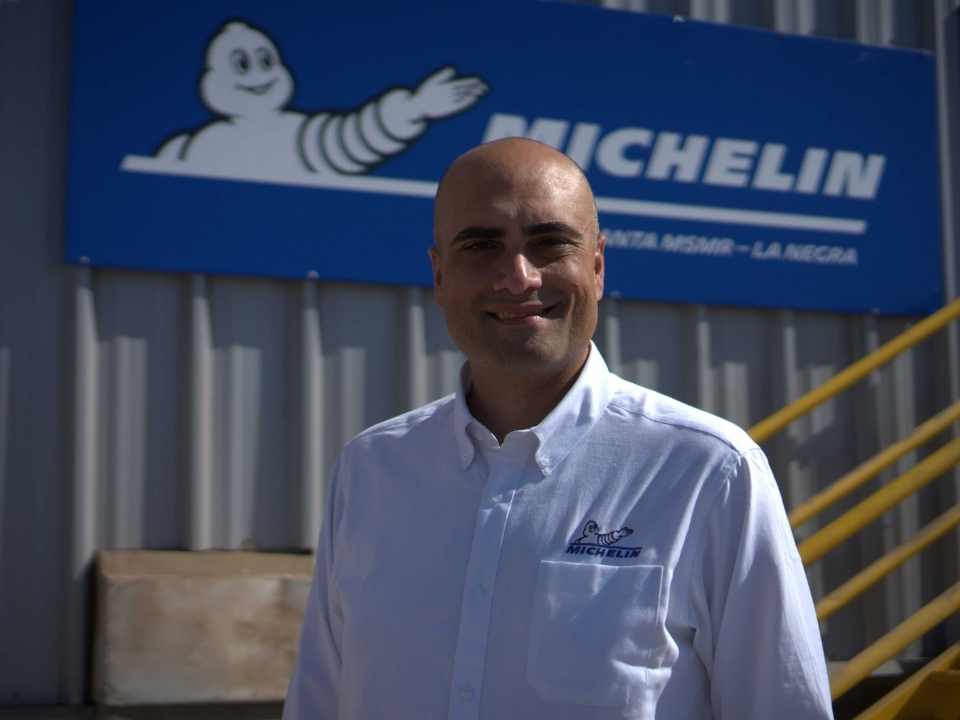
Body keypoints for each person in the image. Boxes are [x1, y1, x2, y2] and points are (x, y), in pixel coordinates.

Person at [283, 138, 834, 719]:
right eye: (481, 246)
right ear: (439, 275)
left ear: (596, 266)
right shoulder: (371, 470)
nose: (518, 278)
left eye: (549, 244)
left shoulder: (710, 471)